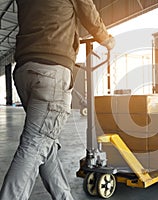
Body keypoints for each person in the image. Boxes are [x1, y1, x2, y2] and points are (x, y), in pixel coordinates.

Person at [0, 0, 115, 199]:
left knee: (46, 144)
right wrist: (107, 39)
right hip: (52, 71)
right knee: (35, 144)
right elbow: (88, 11)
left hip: (23, 71)